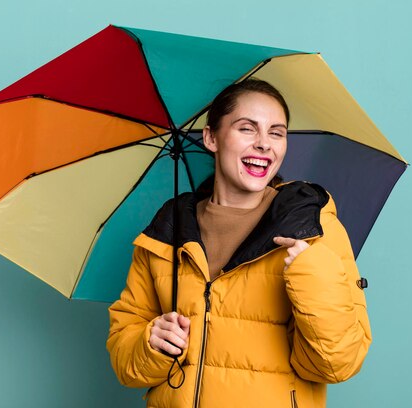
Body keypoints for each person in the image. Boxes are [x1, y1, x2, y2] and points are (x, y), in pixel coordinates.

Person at [107, 79, 371, 407]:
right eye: (247, 129)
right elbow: (126, 366)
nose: (264, 144)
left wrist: (312, 275)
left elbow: (337, 364)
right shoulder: (165, 236)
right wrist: (150, 343)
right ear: (211, 137)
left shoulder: (313, 227)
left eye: (276, 132)